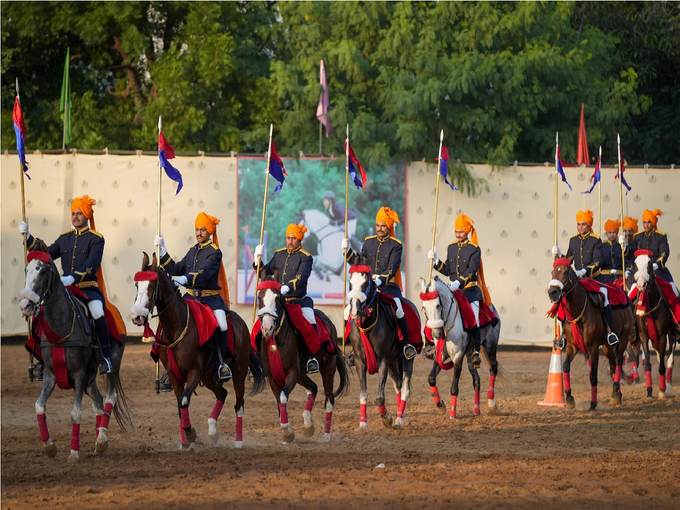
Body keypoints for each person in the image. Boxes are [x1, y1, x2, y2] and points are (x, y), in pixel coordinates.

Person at [20, 195, 113, 375]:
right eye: (73, 214)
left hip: (87, 288)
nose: (75, 217)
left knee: (96, 311)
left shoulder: (96, 239)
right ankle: (40, 356)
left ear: (86, 215)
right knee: (40, 312)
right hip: (65, 289)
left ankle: (105, 357)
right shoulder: (64, 238)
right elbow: (46, 254)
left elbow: (92, 264)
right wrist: (29, 238)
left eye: (79, 213)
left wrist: (72, 278)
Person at [155, 212, 232, 382]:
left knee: (222, 323)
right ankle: (170, 365)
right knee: (171, 318)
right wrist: (163, 252)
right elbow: (175, 268)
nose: (198, 233)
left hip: (210, 299)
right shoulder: (192, 252)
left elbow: (203, 273)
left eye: (202, 230)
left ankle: (221, 364)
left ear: (209, 232)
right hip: (190, 298)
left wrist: (185, 279)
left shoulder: (215, 253)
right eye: (197, 230)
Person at [342, 206, 418, 360]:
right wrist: (347, 251)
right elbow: (358, 263)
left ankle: (406, 344)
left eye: (383, 226)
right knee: (347, 311)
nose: (380, 229)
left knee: (398, 308)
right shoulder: (368, 242)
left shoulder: (396, 245)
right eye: (378, 225)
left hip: (388, 287)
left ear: (388, 226)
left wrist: (380, 279)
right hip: (369, 289)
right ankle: (352, 347)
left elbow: (393, 267)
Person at [253, 224, 323, 374]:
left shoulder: (306, 257)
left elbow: (301, 277)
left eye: (294, 238)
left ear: (299, 240)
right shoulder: (279, 255)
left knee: (309, 319)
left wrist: (287, 287)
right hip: (279, 301)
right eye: (288, 238)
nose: (290, 241)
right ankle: (256, 358)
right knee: (258, 324)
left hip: (298, 300)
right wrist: (257, 261)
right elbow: (265, 272)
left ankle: (312, 357)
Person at [428, 214, 493, 368]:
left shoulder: (474, 249)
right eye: (456, 231)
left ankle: (475, 352)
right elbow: (448, 270)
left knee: (475, 319)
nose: (458, 235)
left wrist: (459, 282)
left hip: (470, 291)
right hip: (453, 290)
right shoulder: (451, 247)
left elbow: (472, 270)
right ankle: (434, 345)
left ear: (467, 232)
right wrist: (436, 261)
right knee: (437, 310)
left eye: (461, 232)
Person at [552, 210, 618, 344]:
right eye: (578, 224)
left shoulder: (596, 240)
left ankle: (610, 332)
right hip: (579, 280)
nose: (580, 227)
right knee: (564, 301)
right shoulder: (573, 240)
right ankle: (564, 335)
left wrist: (585, 270)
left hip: (595, 279)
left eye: (583, 224)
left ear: (588, 225)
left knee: (604, 298)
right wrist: (559, 255)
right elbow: (567, 261)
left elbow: (598, 261)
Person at [634, 209, 677, 296]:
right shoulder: (638, 236)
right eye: (644, 222)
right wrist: (625, 247)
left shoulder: (661, 236)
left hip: (659, 271)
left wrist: (656, 265)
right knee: (629, 293)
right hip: (641, 273)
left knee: (674, 291)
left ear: (653, 223)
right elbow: (631, 252)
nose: (646, 225)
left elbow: (664, 253)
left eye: (649, 222)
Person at [600, 219, 626, 285]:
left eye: (614, 232)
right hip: (605, 278)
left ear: (617, 233)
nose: (612, 235)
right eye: (610, 233)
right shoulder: (601, 246)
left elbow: (626, 260)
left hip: (620, 278)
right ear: (606, 233)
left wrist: (625, 248)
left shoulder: (621, 245)